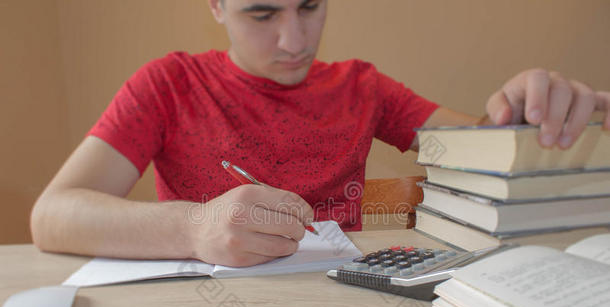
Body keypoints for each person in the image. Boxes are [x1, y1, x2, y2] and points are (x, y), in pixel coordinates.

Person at [31, 0, 610, 267]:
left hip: (351, 300)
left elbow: (476, 151)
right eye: (262, 14)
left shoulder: (363, 86)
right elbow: (53, 215)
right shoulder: (168, 84)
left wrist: (526, 120)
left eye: (310, 6)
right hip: (215, 302)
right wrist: (194, 223)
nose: (295, 40)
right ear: (216, 5)